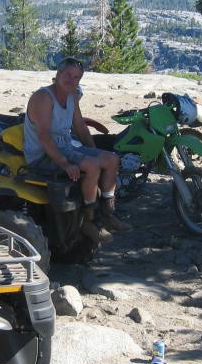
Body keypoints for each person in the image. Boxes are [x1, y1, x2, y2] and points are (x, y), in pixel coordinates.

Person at [24, 56, 129, 244]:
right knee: (93, 166)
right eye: (68, 75)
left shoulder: (72, 96)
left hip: (65, 146)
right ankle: (89, 222)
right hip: (42, 154)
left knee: (112, 159)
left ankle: (107, 214)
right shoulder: (43, 98)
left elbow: (79, 127)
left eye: (76, 78)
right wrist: (64, 164)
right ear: (58, 74)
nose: (71, 81)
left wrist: (95, 151)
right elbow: (44, 137)